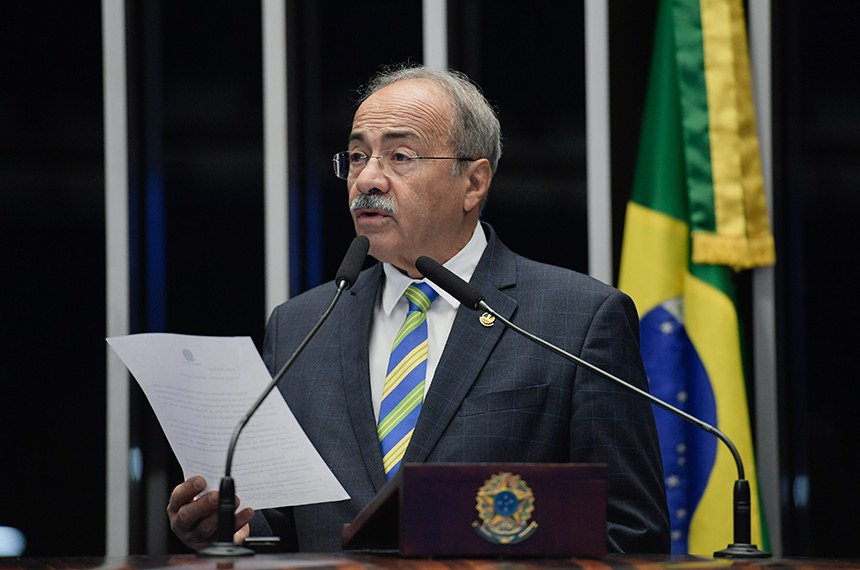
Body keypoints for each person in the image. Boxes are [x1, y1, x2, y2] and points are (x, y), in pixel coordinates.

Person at [167, 64, 670, 554]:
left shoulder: (577, 319)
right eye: (357, 156)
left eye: (400, 157)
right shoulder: (301, 324)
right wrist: (225, 529)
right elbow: (284, 527)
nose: (368, 179)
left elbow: (632, 533)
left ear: (474, 183)